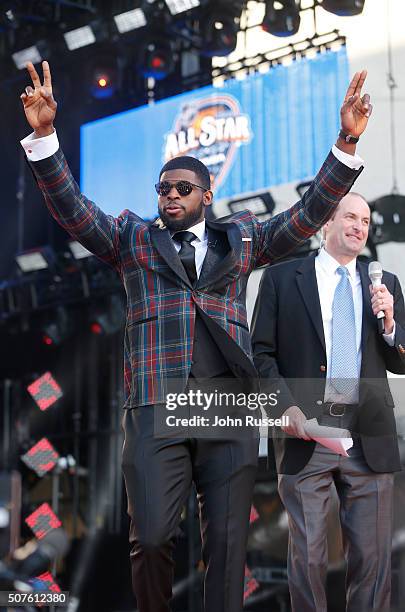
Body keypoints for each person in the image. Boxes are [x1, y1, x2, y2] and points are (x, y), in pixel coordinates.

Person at [20, 60, 370, 612]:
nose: (170, 196)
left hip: (225, 408)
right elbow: (74, 212)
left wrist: (346, 142)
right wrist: (45, 138)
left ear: (206, 195)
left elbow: (306, 216)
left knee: (228, 549)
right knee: (153, 537)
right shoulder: (132, 240)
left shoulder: (244, 240)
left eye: (183, 188)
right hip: (158, 408)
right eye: (163, 188)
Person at [251, 192, 405, 612]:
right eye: (351, 217)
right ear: (325, 224)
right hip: (305, 432)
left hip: (367, 433)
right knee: (310, 556)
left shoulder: (385, 284)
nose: (359, 227)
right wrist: (285, 408)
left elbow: (399, 359)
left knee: (372, 562)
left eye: (366, 222)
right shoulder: (282, 278)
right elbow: (259, 354)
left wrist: (390, 323)